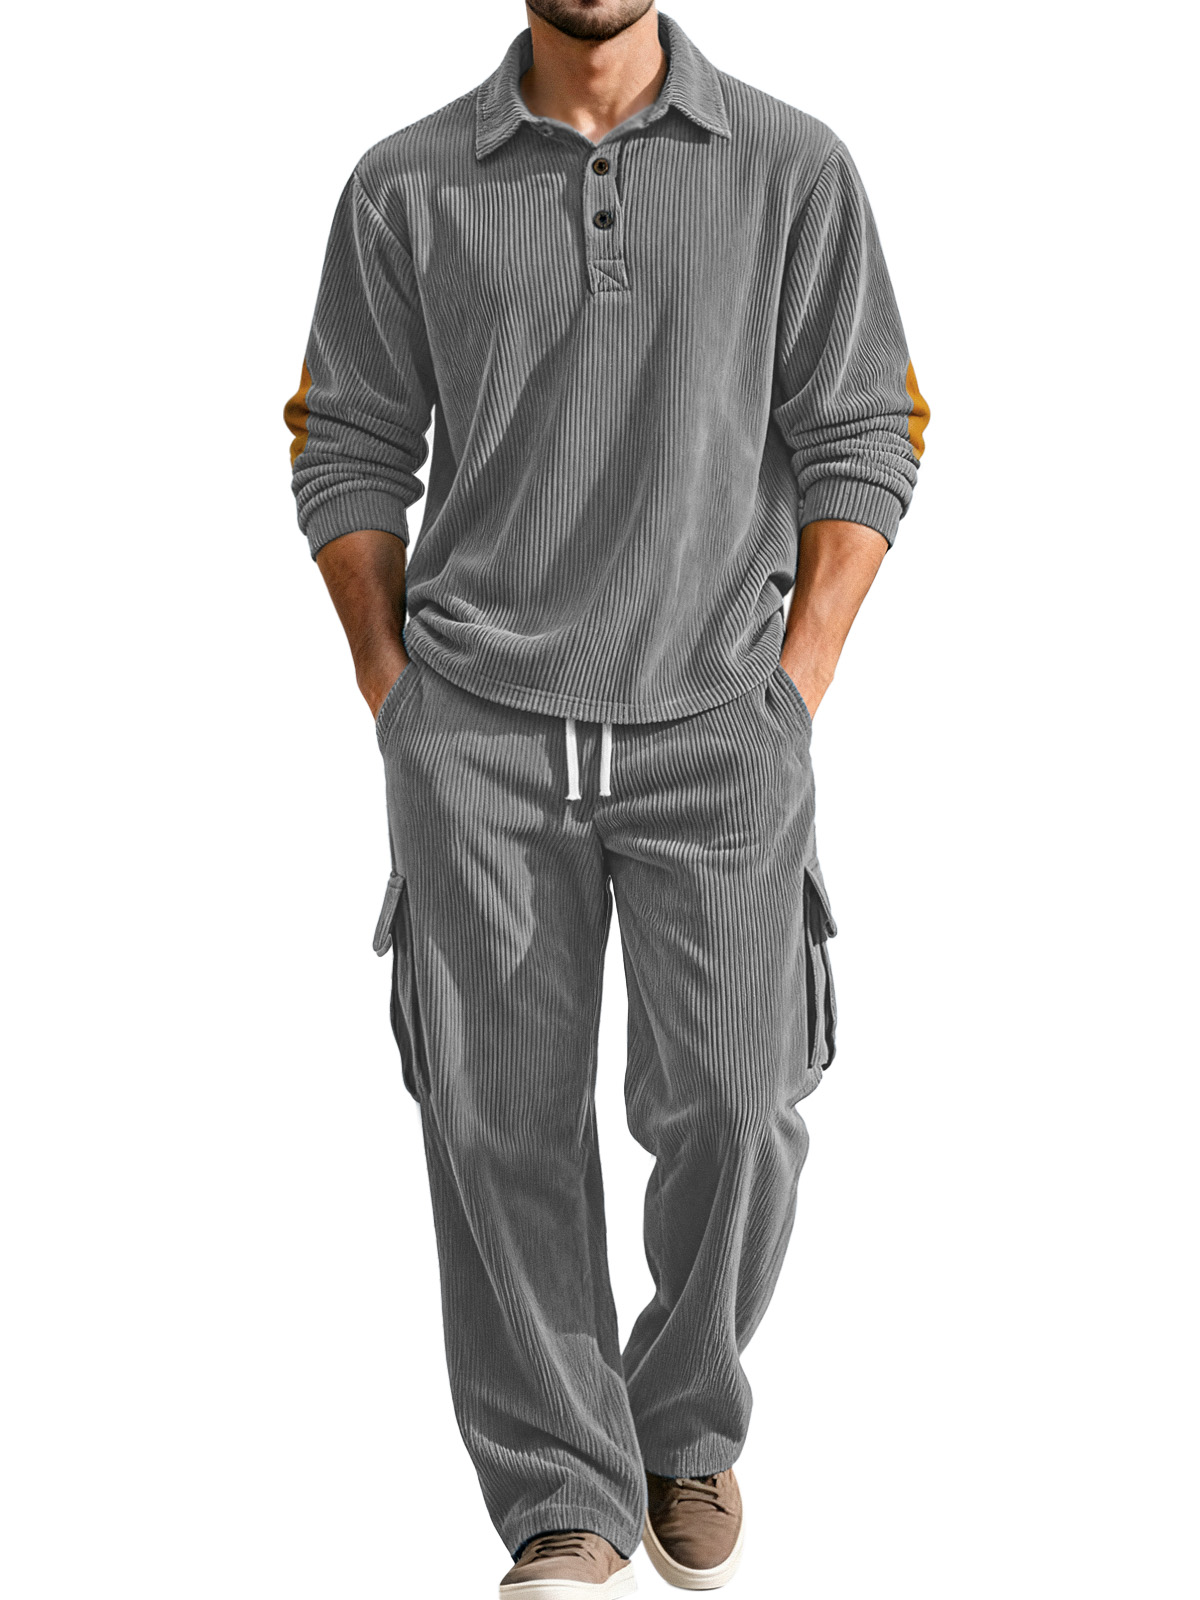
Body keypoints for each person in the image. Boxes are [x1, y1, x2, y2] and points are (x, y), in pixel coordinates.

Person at [283, 4, 928, 1594]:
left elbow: (866, 432)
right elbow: (347, 443)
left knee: (738, 1103)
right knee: (498, 1124)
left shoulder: (792, 167)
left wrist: (794, 691)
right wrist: (398, 696)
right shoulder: (405, 186)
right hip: (480, 737)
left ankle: (682, 1417)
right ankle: (562, 1495)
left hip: (718, 727)